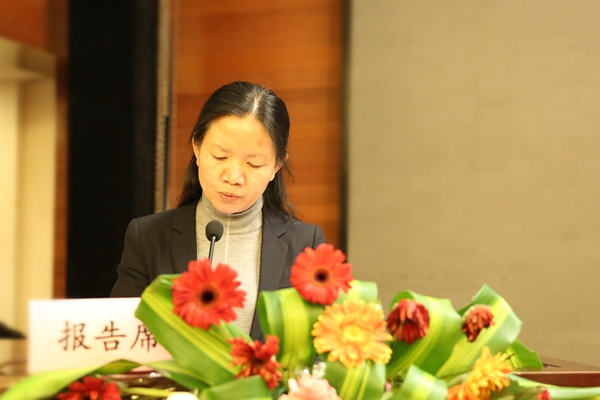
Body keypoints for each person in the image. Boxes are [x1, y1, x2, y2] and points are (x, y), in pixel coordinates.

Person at [111, 81, 326, 340]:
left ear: (277, 166)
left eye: (254, 164)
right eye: (220, 157)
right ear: (197, 148)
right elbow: (121, 335)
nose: (234, 177)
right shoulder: (148, 237)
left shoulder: (305, 244)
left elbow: (318, 343)